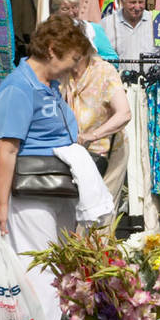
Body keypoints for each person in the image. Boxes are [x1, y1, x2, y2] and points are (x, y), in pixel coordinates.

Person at [0, 14, 92, 320]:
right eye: (71, 59)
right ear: (52, 50)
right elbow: (7, 149)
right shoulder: (19, 88)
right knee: (40, 273)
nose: (74, 67)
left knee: (58, 272)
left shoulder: (46, 85)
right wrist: (1, 208)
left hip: (55, 190)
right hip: (30, 194)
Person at [62, 43, 131, 204]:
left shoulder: (104, 71)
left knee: (101, 214)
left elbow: (124, 113)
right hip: (76, 154)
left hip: (106, 152)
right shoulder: (64, 72)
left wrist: (92, 135)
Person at [50, 0, 118, 61]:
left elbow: (114, 60)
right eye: (65, 9)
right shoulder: (48, 32)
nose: (71, 13)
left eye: (74, 7)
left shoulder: (93, 29)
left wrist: (93, 60)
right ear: (56, 11)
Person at [102, 0, 156, 71]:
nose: (137, 7)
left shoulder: (158, 22)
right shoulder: (105, 25)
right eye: (133, 2)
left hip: (152, 83)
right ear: (122, 1)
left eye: (141, 2)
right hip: (118, 82)